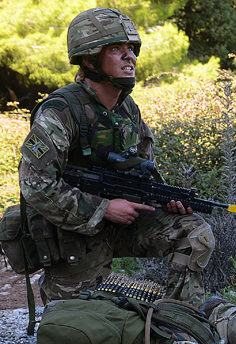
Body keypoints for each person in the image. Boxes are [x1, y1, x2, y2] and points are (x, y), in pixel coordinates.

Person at [17, 7, 215, 306]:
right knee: (77, 329)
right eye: (116, 49)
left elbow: (142, 171)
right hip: (72, 234)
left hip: (121, 222)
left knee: (194, 232)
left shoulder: (127, 109)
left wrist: (163, 199)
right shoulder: (60, 110)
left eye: (131, 49)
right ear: (89, 58)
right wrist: (104, 208)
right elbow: (35, 184)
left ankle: (179, 317)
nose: (130, 57)